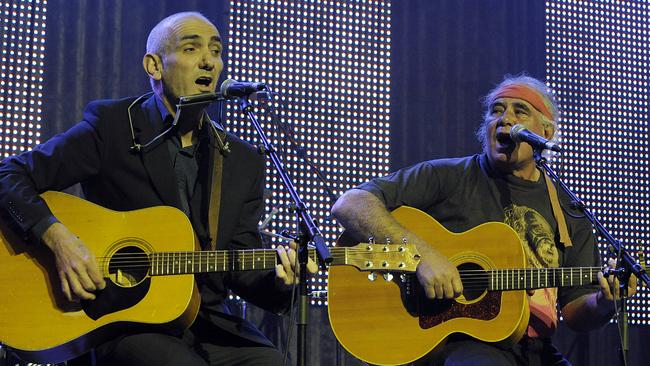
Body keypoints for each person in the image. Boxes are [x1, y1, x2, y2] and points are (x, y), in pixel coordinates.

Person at [0, 11, 316, 366]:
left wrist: (282, 281)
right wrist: (59, 240)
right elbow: (8, 176)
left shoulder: (241, 160)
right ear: (154, 66)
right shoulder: (113, 126)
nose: (209, 62)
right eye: (191, 48)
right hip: (121, 322)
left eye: (215, 50)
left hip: (209, 324)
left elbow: (239, 265)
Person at [331, 75, 638, 365]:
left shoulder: (569, 210)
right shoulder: (449, 176)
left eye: (520, 112)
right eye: (496, 110)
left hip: (535, 349)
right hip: (461, 342)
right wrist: (423, 256)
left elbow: (575, 312)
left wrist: (605, 301)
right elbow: (351, 203)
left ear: (546, 132)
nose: (504, 119)